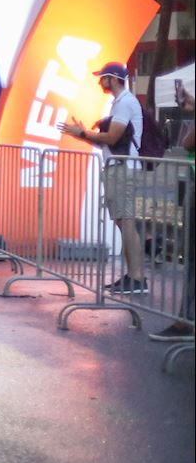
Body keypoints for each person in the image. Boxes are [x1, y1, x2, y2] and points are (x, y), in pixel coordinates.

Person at [60, 62, 147, 295]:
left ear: (113, 79)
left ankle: (137, 279)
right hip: (117, 168)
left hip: (123, 169)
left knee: (126, 222)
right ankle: (132, 276)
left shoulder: (125, 103)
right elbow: (109, 139)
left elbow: (112, 137)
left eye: (103, 78)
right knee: (123, 222)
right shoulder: (120, 103)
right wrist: (84, 135)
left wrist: (84, 133)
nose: (100, 82)